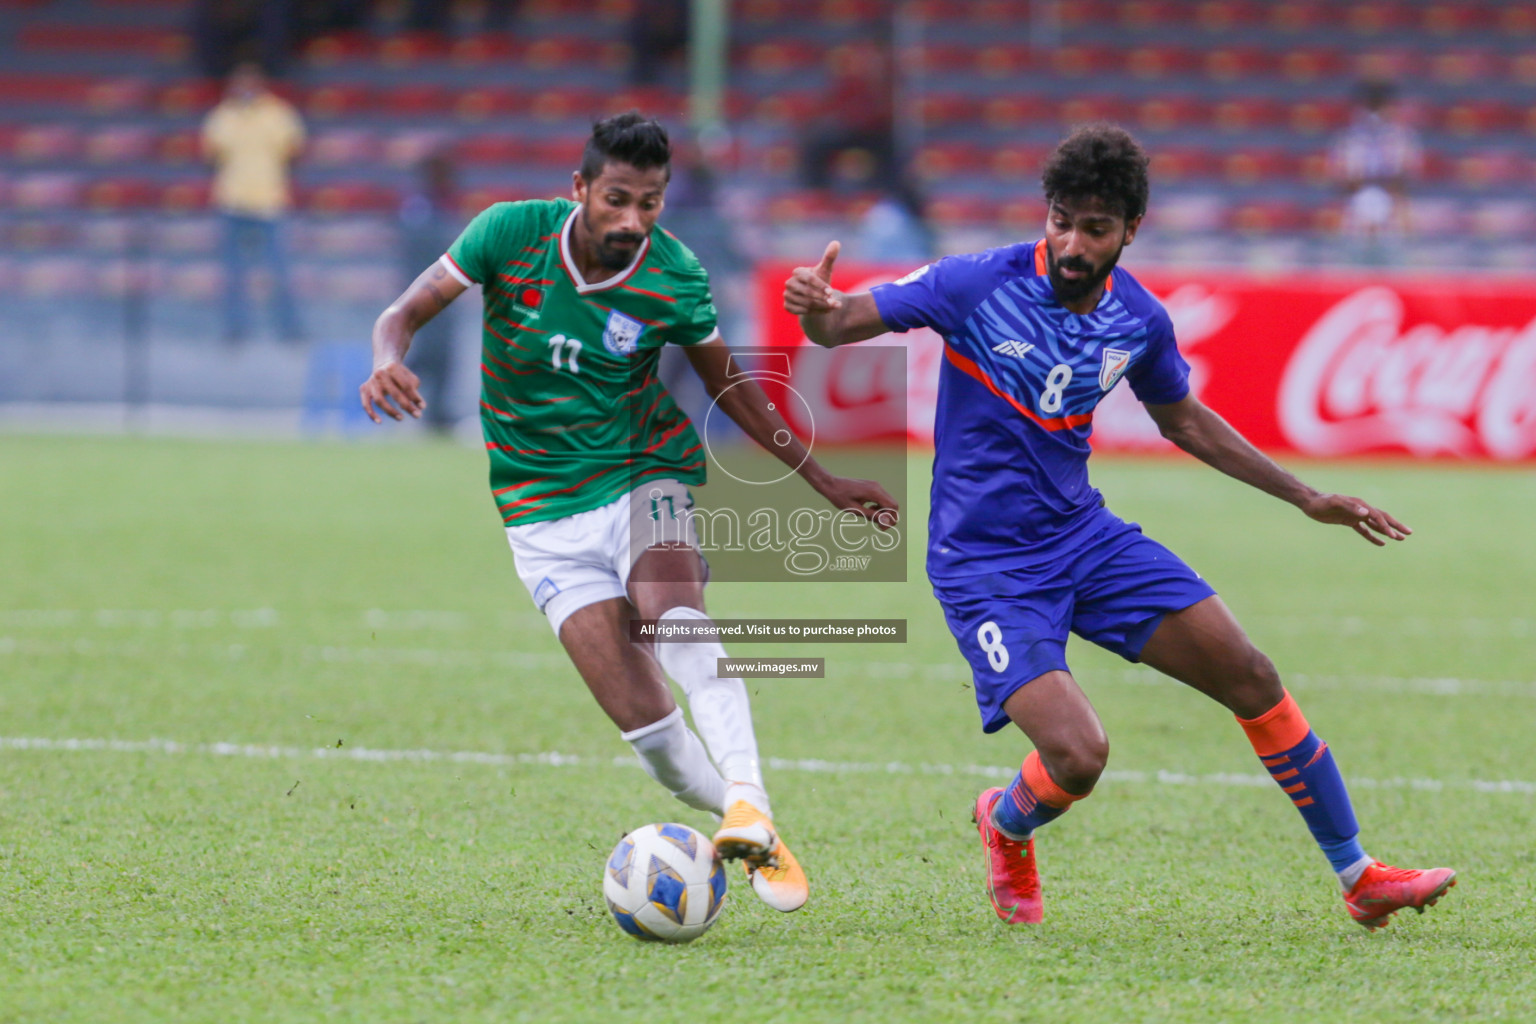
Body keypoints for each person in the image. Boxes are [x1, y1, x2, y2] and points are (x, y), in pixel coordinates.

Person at [782, 123, 1456, 930]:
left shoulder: (1139, 319)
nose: (1071, 241)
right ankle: (1005, 822)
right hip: (984, 564)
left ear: (1130, 229)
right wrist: (816, 311)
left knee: (1251, 675)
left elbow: (1188, 424)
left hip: (1085, 539)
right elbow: (839, 324)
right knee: (1079, 757)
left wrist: (1306, 496)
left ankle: (1359, 877)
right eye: (1060, 219)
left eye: (1094, 227)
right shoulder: (973, 284)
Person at [360, 112, 897, 915]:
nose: (632, 220)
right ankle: (748, 825)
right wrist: (385, 359)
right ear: (579, 189)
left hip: (644, 472)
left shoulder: (675, 274)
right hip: (539, 514)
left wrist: (818, 478)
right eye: (617, 199)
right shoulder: (508, 234)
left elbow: (729, 385)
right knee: (659, 747)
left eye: (650, 202)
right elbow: (400, 313)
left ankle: (749, 794)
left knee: (673, 615)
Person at [201, 61, 306, 343]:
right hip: (232, 202)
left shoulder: (278, 114)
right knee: (234, 274)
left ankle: (289, 330)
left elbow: (294, 151)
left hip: (269, 203)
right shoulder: (222, 116)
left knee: (279, 272)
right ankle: (236, 330)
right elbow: (211, 155)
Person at [396, 152, 461, 434]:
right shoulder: (419, 206)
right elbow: (417, 248)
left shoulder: (438, 206)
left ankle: (439, 413)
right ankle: (384, 388)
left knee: (443, 354)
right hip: (425, 291)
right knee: (429, 352)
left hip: (444, 291)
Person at [1329, 79, 1422, 263]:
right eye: (1371, 106)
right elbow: (1342, 179)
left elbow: (1405, 179)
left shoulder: (1402, 138)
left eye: (1379, 106)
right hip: (1355, 220)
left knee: (1393, 276)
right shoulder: (1348, 139)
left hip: (1392, 220)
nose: (1374, 114)